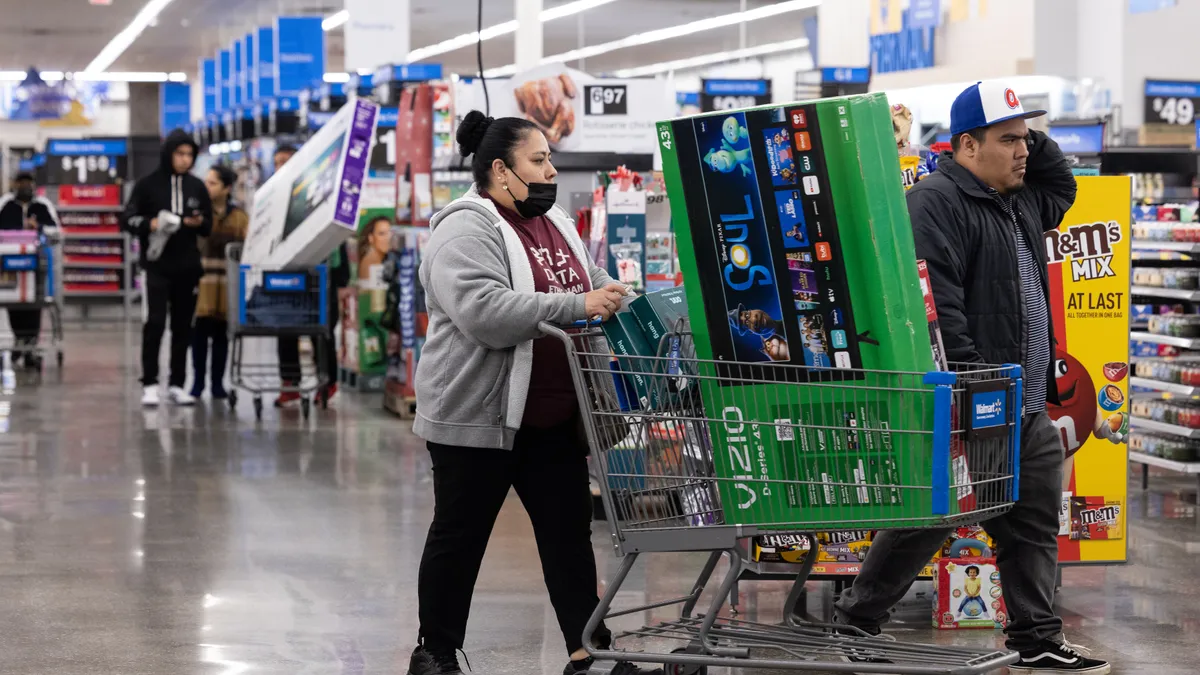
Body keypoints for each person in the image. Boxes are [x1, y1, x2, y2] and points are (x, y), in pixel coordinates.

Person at [834, 81, 1110, 675]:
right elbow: (941, 305)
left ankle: (1036, 637)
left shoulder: (1021, 200)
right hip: (977, 395)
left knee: (1033, 521)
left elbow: (1062, 185)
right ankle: (856, 621)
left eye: (1025, 140)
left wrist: (1024, 126)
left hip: (1027, 396)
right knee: (932, 517)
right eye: (1008, 140)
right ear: (964, 145)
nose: (1024, 151)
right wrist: (968, 389)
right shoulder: (937, 201)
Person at [407, 110, 649, 675]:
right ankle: (435, 653)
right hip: (478, 417)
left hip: (553, 419)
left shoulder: (557, 222)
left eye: (549, 159)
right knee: (459, 539)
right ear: (500, 169)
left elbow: (585, 281)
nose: (550, 170)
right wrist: (577, 305)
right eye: (537, 160)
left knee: (568, 539)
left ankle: (589, 651)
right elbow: (485, 313)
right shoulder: (464, 229)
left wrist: (610, 293)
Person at [122, 129, 213, 407]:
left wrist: (195, 223)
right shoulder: (147, 185)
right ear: (168, 154)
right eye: (180, 154)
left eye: (190, 155)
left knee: (183, 327)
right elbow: (127, 219)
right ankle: (149, 382)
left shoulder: (197, 187)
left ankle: (176, 383)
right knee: (155, 323)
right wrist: (150, 224)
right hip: (156, 267)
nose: (185, 160)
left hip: (188, 267)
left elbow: (208, 226)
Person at [270, 144, 348, 407]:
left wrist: (341, 279)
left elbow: (337, 236)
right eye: (277, 162)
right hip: (287, 275)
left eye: (286, 161)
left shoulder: (318, 191)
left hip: (321, 275)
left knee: (322, 330)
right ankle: (290, 385)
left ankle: (328, 382)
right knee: (286, 328)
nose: (281, 166)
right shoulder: (271, 197)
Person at [190, 164, 248, 400]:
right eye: (206, 182)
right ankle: (197, 383)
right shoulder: (197, 216)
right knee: (199, 335)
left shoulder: (240, 217)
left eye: (213, 183)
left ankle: (217, 383)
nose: (207, 187)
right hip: (201, 283)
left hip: (227, 285)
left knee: (222, 336)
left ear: (227, 188)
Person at [0, 172, 58, 369]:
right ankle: (19, 341)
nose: (24, 186)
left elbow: (56, 231)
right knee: (13, 304)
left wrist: (39, 227)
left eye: (28, 182)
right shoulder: (5, 205)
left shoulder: (43, 205)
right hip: (10, 266)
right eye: (21, 182)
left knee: (35, 305)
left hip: (36, 267)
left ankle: (31, 345)